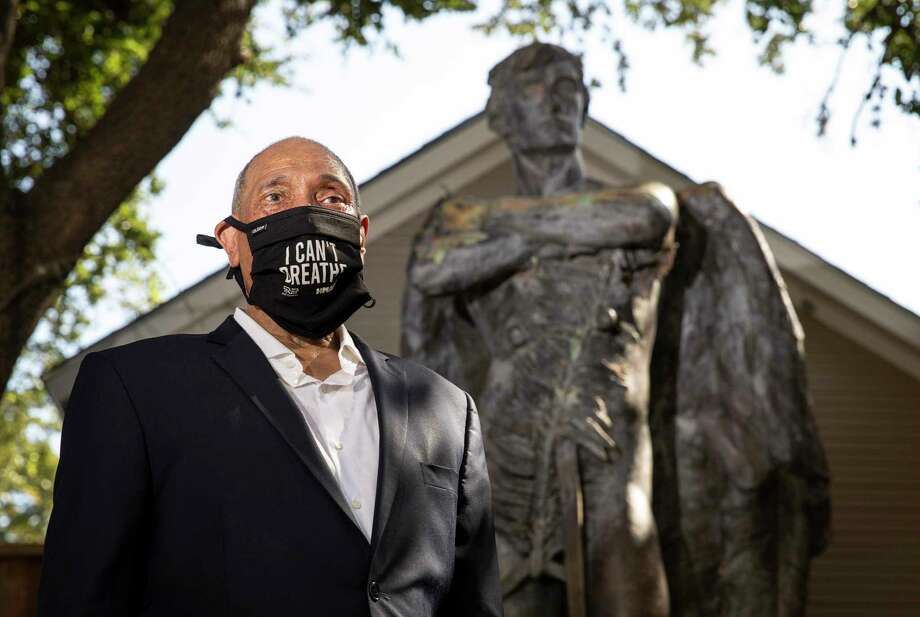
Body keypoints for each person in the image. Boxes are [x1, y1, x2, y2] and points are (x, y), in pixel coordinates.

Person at [37, 137, 504, 617]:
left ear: (360, 235)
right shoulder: (132, 388)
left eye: (331, 199)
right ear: (231, 241)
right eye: (275, 198)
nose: (306, 214)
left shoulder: (447, 409)